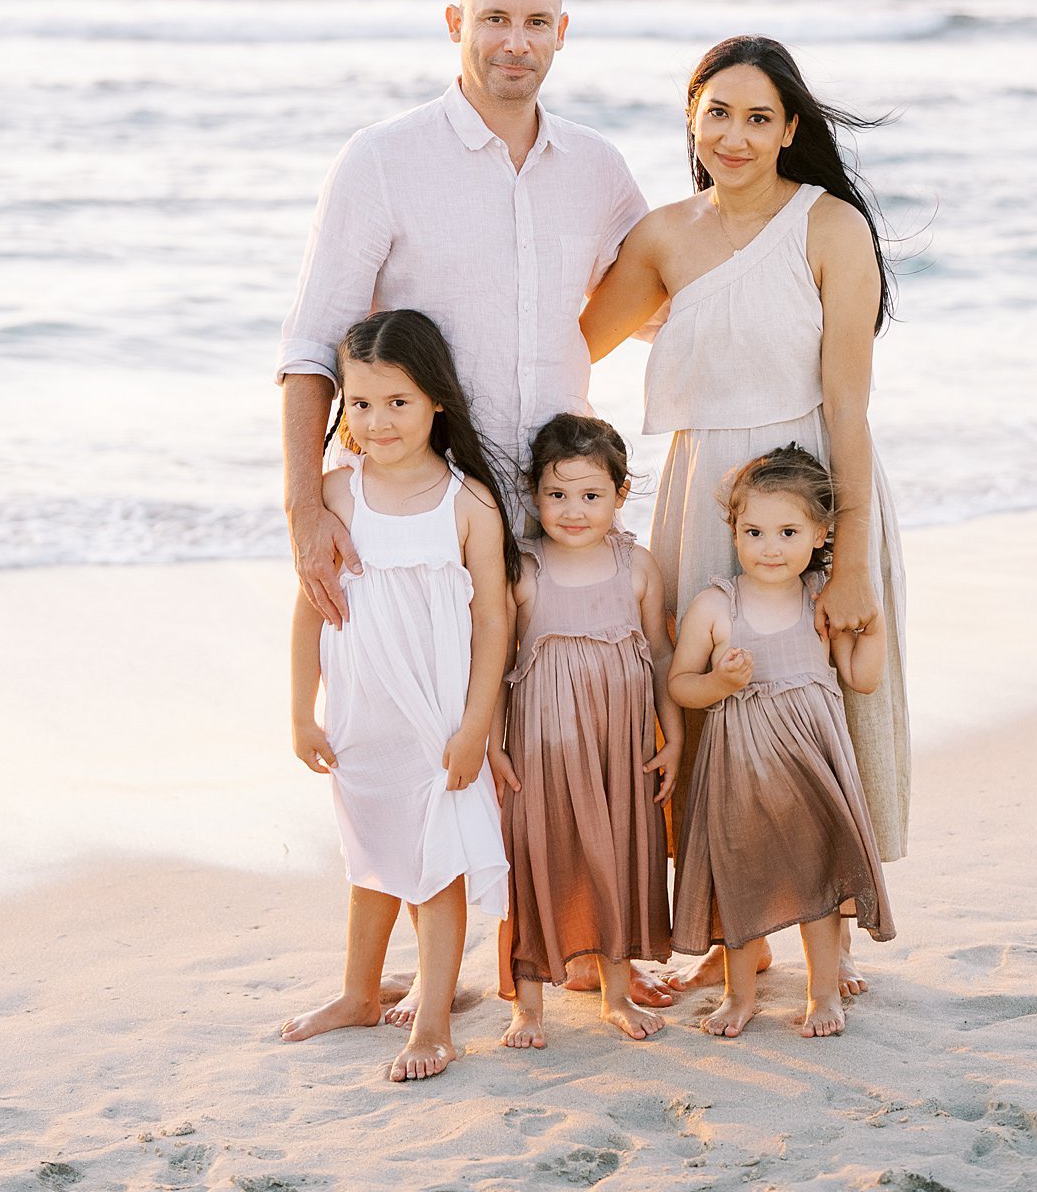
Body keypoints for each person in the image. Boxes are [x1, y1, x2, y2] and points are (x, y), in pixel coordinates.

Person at [580, 35, 910, 995]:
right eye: (717, 112)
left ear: (790, 130)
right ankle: (739, 933)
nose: (734, 133)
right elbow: (567, 350)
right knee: (714, 700)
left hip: (811, 490)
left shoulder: (829, 228)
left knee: (826, 699)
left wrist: (848, 554)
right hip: (703, 494)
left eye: (758, 117)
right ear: (691, 117)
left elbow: (847, 406)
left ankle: (830, 922)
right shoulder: (661, 237)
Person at [278, 0, 646, 631]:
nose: (516, 41)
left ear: (561, 33)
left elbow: (660, 302)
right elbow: (311, 349)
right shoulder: (381, 160)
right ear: (455, 22)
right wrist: (304, 512)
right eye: (495, 19)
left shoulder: (597, 167)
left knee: (555, 728)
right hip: (414, 515)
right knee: (420, 725)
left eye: (537, 22)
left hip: (557, 515)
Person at [281, 310, 518, 1082]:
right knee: (370, 856)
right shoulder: (336, 493)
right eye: (359, 404)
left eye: (398, 403)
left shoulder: (467, 503)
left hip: (438, 719)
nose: (376, 422)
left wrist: (476, 726)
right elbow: (308, 609)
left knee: (436, 866)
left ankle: (435, 1022)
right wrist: (299, 711)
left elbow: (493, 619)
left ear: (436, 402)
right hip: (360, 716)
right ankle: (356, 994)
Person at [668, 446, 894, 1040]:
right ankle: (739, 997)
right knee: (741, 881)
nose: (771, 546)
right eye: (754, 531)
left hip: (810, 766)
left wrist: (875, 627)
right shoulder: (717, 605)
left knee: (817, 883)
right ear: (734, 532)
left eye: (788, 531)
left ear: (822, 535)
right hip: (739, 771)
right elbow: (681, 684)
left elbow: (861, 677)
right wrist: (720, 681)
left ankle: (823, 994)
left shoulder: (821, 600)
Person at [491, 414, 681, 1050]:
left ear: (621, 495)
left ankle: (615, 993)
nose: (573, 510)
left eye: (591, 495)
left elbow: (659, 655)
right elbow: (491, 661)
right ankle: (527, 1004)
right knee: (536, 856)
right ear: (534, 493)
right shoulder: (522, 568)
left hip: (621, 744)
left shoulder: (638, 567)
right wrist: (491, 740)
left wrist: (671, 735)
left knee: (620, 851)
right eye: (557, 494)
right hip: (541, 744)